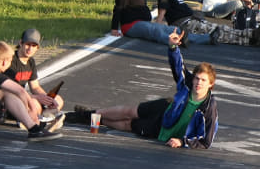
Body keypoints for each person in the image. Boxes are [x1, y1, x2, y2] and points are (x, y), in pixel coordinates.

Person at [69, 30, 218, 148]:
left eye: (203, 80)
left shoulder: (209, 107)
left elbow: (206, 141)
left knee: (129, 124)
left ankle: (97, 120)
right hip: (166, 108)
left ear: (211, 84)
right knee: (129, 111)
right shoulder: (188, 83)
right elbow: (178, 67)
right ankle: (84, 115)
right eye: (197, 78)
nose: (198, 82)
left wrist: (182, 141)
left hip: (160, 129)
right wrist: (173, 47)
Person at [157, 0, 260, 46]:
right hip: (185, 24)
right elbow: (162, 11)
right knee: (217, 33)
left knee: (221, 29)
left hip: (193, 20)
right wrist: (157, 29)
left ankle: (250, 36)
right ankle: (250, 38)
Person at [0, 42, 62, 140]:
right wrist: (31, 110)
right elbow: (20, 91)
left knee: (5, 91)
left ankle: (34, 127)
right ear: (4, 62)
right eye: (10, 61)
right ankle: (34, 129)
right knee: (6, 91)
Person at [4, 28, 65, 120]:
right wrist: (36, 97)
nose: (30, 49)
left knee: (58, 100)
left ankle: (44, 117)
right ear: (20, 43)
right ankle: (40, 118)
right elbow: (9, 91)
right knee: (34, 104)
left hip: (24, 96)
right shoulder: (11, 61)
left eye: (33, 46)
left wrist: (47, 98)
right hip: (11, 99)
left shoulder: (31, 62)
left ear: (37, 48)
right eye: (27, 44)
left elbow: (35, 87)